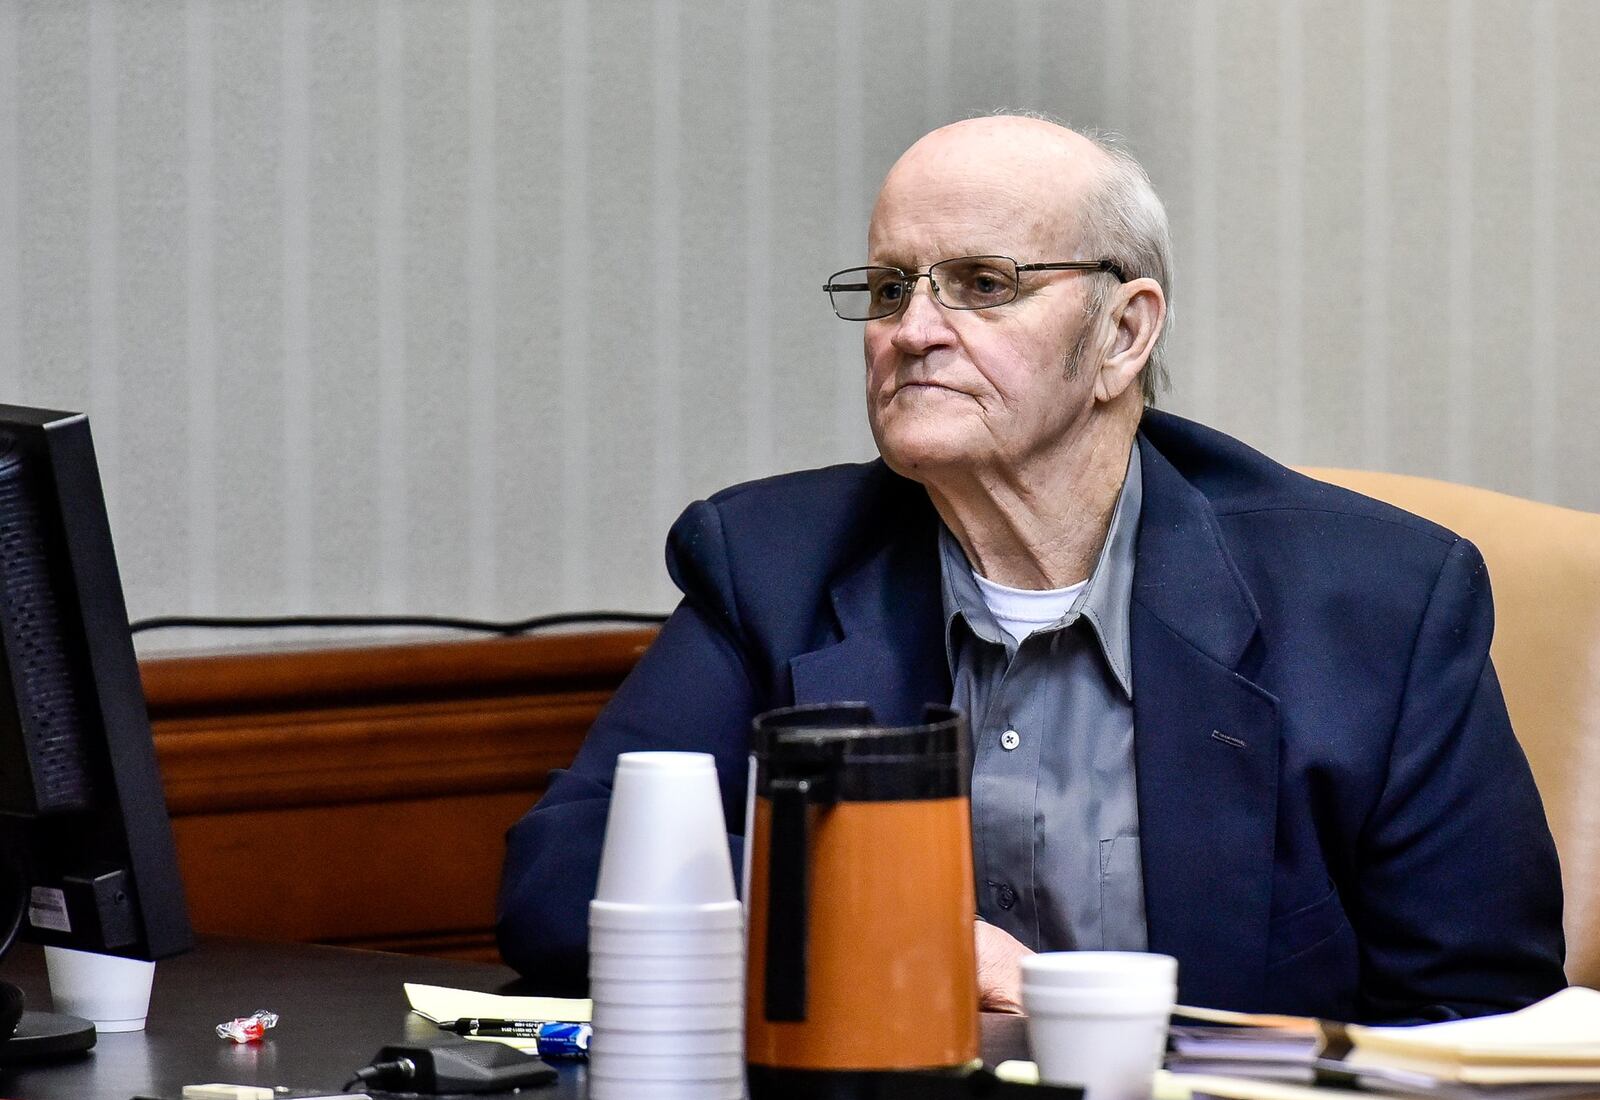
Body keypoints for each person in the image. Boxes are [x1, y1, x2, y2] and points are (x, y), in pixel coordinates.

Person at [497, 115, 1565, 1023]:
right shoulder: (771, 564)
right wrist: (893, 924)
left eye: (980, 284)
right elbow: (562, 877)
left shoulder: (1374, 602)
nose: (912, 330)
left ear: (1122, 334)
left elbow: (1483, 1015)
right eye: (886, 288)